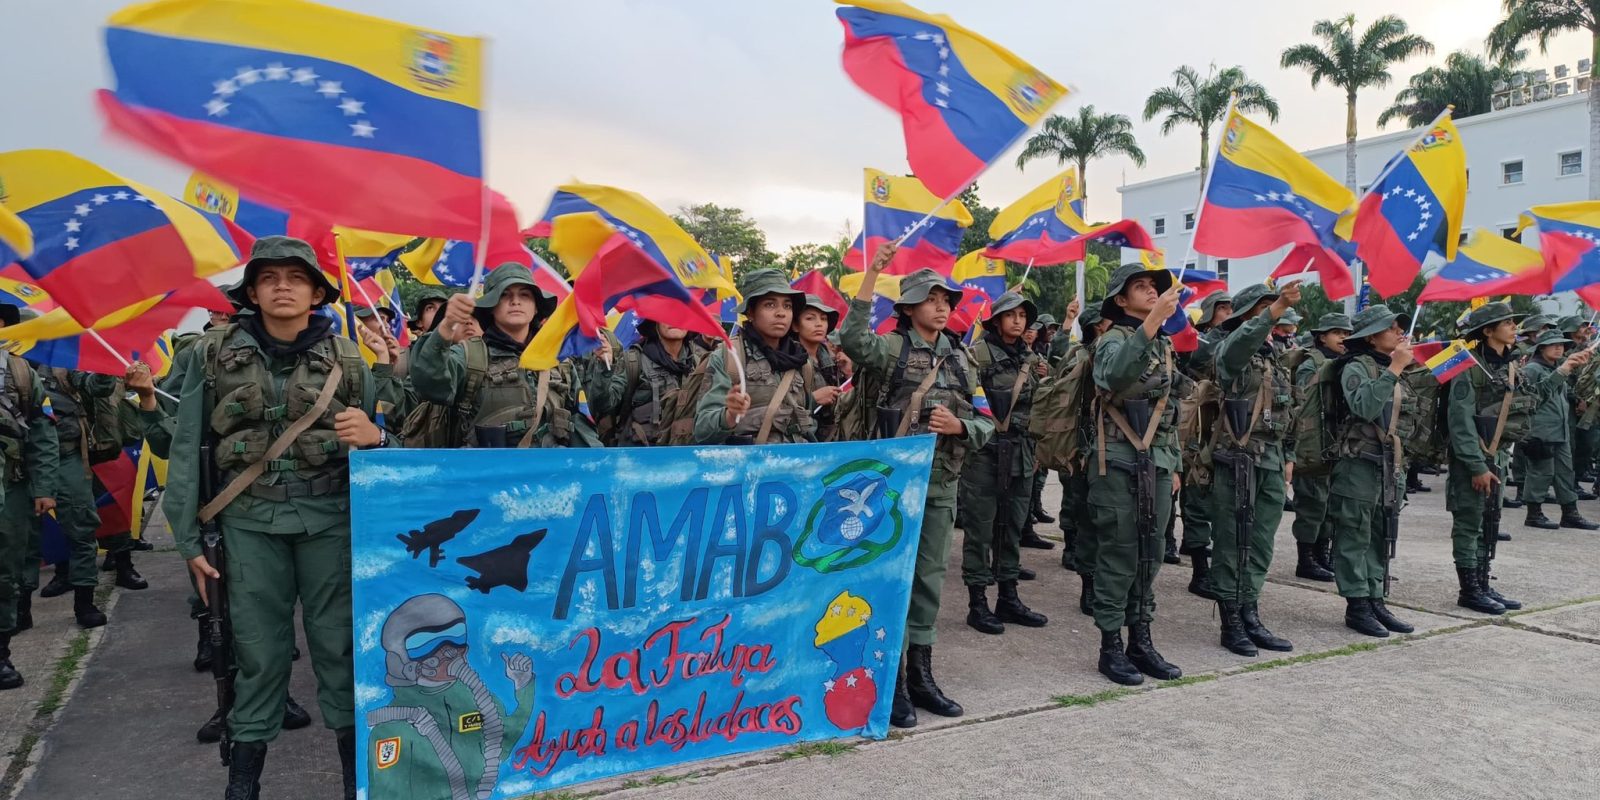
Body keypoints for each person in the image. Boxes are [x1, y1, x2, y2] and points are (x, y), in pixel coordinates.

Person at [163, 236, 392, 798]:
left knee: (340, 648)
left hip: (332, 521)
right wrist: (188, 540)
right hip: (247, 523)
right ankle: (244, 782)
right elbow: (188, 444)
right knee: (258, 654)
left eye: (295, 277)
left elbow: (399, 442)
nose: (282, 286)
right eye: (269, 278)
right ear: (254, 291)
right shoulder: (211, 354)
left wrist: (378, 437)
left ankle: (354, 778)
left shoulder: (351, 359)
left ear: (317, 292)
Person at [840, 243, 992, 727]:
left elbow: (988, 420)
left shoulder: (963, 359)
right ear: (907, 308)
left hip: (941, 483)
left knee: (927, 580)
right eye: (931, 298)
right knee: (891, 581)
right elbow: (851, 339)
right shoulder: (889, 349)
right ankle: (894, 679)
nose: (942, 305)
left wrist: (961, 427)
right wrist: (874, 274)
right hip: (887, 491)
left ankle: (922, 675)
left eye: (946, 298)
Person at [1444, 302, 1583, 615]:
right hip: (1474, 460)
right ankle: (1469, 590)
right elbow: (1460, 423)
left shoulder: (1508, 366)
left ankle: (1482, 583)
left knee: (1488, 520)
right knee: (1469, 523)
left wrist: (1565, 369)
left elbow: (1532, 397)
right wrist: (1477, 466)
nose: (1513, 326)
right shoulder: (1468, 368)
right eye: (1505, 322)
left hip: (1498, 457)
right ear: (1488, 331)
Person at [1085, 264, 1186, 686]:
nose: (1150, 292)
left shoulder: (1163, 346)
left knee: (1152, 551)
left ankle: (1140, 638)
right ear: (1121, 301)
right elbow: (1115, 375)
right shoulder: (1113, 339)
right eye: (1140, 287)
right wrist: (1149, 324)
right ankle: (1111, 645)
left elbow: (1172, 410)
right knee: (1120, 551)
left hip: (1157, 461)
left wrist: (1175, 463)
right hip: (1117, 460)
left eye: (1153, 287)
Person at [1209, 281, 1300, 658]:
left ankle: (1250, 611)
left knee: (1260, 541)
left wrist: (1290, 453)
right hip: (1238, 458)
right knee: (1234, 540)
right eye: (1264, 308)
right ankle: (1231, 620)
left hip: (1271, 459)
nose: (1275, 314)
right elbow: (1242, 342)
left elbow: (1288, 409)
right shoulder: (1231, 350)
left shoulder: (1274, 356)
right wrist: (1274, 309)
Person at [413, 264, 598, 449]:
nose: (515, 301)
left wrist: (600, 469)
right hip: (486, 475)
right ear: (491, 306)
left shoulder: (558, 361)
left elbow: (582, 428)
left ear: (535, 307)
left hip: (550, 475)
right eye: (504, 294)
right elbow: (429, 384)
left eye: (524, 295)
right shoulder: (471, 357)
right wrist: (446, 326)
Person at [958, 291, 1049, 635]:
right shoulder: (976, 354)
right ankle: (978, 603)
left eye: (1023, 316)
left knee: (1012, 526)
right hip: (985, 451)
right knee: (981, 529)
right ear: (995, 320)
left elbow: (1041, 406)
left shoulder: (1031, 358)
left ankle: (1008, 597)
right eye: (1011, 315)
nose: (1018, 321)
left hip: (1021, 451)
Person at [1326, 306, 1417, 637]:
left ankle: (1376, 598)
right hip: (1358, 465)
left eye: (1397, 327)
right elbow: (1364, 406)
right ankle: (1357, 605)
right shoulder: (1355, 367)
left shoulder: (1395, 367)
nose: (1398, 332)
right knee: (1355, 535)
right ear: (1371, 336)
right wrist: (1395, 367)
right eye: (1390, 328)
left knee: (1381, 533)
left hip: (1388, 464)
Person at [29, 366, 129, 625]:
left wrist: (104, 367)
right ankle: (18, 610)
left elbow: (97, 386)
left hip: (66, 456)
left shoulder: (62, 362)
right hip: (18, 460)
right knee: (21, 539)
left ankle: (84, 603)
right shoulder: (16, 364)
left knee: (82, 527)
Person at [0, 301, 58, 690]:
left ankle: (1, 652)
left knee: (5, 569)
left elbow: (42, 430)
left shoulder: (19, 372)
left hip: (12, 488)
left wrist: (44, 488)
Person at [694, 269, 817, 446]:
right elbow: (702, 431)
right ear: (750, 312)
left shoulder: (802, 361)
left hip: (797, 466)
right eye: (770, 305)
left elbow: (809, 421)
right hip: (749, 468)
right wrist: (729, 415)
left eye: (787, 306)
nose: (781, 313)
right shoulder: (730, 357)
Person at [1176, 290, 1232, 599]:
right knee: (1197, 495)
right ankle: (1199, 571)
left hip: (1225, 431)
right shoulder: (1203, 342)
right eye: (1222, 309)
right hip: (1198, 430)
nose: (1228, 313)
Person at [1290, 313, 1352, 582]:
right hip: (1311, 441)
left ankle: (1321, 555)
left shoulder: (1341, 363)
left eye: (1347, 334)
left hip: (1333, 440)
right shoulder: (1310, 363)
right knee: (1311, 503)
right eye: (1337, 333)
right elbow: (1302, 407)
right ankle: (1306, 560)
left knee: (1328, 503)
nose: (1343, 338)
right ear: (1321, 336)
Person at [1520, 329, 1599, 530]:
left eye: (1561, 345)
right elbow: (1535, 396)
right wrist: (1563, 370)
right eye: (1553, 344)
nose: (1559, 348)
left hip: (1560, 430)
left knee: (1565, 473)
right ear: (1541, 347)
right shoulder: (1533, 369)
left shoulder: (1554, 367)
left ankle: (1570, 513)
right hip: (1541, 430)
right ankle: (1534, 513)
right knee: (1540, 472)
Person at [591, 321, 700, 446]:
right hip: (641, 457)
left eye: (681, 315)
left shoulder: (699, 364)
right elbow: (603, 405)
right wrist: (605, 368)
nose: (673, 320)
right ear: (655, 323)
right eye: (666, 314)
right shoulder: (633, 361)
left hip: (688, 455)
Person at [797, 295, 845, 443]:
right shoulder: (788, 359)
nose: (819, 324)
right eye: (810, 318)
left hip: (830, 440)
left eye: (823, 319)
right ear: (795, 325)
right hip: (800, 441)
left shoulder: (830, 360)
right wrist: (813, 399)